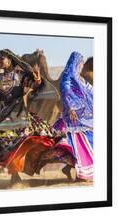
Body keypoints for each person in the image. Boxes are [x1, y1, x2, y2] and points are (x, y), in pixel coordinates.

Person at [0, 49, 76, 182]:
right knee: (1, 146)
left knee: (35, 141)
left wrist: (37, 79)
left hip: (20, 117)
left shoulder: (20, 76)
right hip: (2, 119)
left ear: (10, 60)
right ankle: (14, 175)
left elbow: (35, 85)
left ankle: (68, 164)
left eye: (2, 58)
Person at [55, 51, 93, 181]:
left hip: (85, 118)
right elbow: (65, 91)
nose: (82, 66)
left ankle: (73, 169)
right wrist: (70, 107)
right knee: (79, 145)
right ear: (76, 63)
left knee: (89, 142)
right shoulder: (68, 76)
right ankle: (81, 174)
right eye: (81, 63)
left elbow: (90, 91)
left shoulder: (79, 79)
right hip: (73, 119)